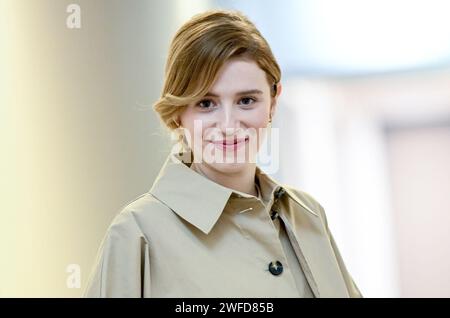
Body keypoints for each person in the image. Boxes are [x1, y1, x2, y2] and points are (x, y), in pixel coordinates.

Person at [83, 9, 362, 298]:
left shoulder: (308, 215)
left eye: (246, 100)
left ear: (273, 102)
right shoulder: (136, 233)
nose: (228, 125)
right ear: (179, 111)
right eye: (206, 103)